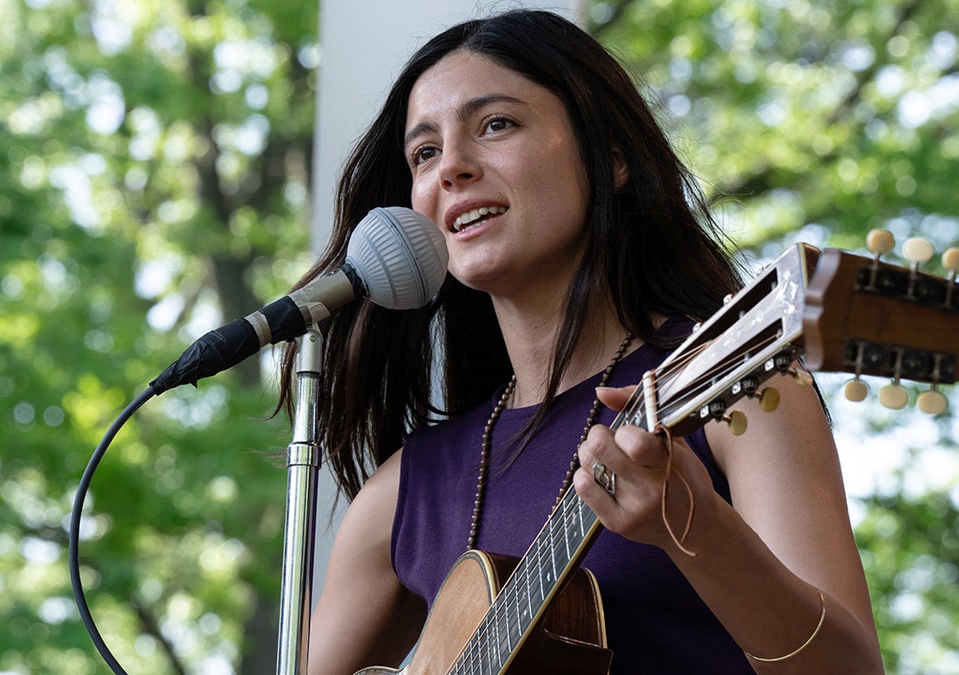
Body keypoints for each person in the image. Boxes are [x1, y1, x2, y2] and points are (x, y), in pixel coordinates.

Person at [280, 9, 883, 674]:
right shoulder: (402, 495)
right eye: (424, 152)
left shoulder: (739, 385)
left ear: (613, 157)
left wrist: (699, 530)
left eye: (496, 124)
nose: (451, 166)